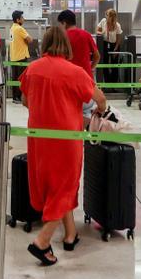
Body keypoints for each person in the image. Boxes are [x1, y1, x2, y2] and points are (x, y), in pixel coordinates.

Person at [20, 26, 107, 266]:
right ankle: (42, 241)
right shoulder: (75, 72)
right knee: (65, 186)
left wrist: (44, 109)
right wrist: (98, 112)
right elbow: (99, 100)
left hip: (39, 138)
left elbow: (25, 100)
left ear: (44, 44)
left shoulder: (32, 69)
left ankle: (70, 235)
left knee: (52, 186)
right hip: (66, 139)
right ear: (66, 46)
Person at [9, 10, 33, 103]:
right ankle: (19, 97)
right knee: (21, 79)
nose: (24, 19)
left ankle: (15, 97)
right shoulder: (19, 29)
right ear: (18, 19)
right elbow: (30, 40)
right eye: (22, 18)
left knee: (15, 78)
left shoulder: (12, 28)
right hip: (21, 57)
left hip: (14, 57)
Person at [96, 9, 124, 84]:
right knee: (105, 63)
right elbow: (97, 31)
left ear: (112, 17)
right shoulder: (103, 21)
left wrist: (115, 49)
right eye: (106, 14)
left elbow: (118, 38)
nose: (106, 16)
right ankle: (107, 82)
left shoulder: (117, 25)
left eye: (107, 15)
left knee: (114, 64)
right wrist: (102, 33)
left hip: (114, 45)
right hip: (105, 44)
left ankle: (114, 83)